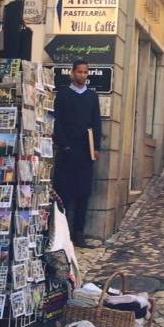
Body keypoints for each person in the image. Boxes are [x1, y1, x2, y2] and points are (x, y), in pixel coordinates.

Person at [53, 59, 102, 247]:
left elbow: (96, 122)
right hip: (67, 150)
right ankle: (61, 234)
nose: (82, 75)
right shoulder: (63, 95)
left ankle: (79, 233)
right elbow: (57, 121)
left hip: (85, 151)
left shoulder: (91, 96)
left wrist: (96, 147)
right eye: (79, 72)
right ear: (72, 73)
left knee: (83, 193)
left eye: (85, 72)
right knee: (63, 193)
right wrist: (64, 144)